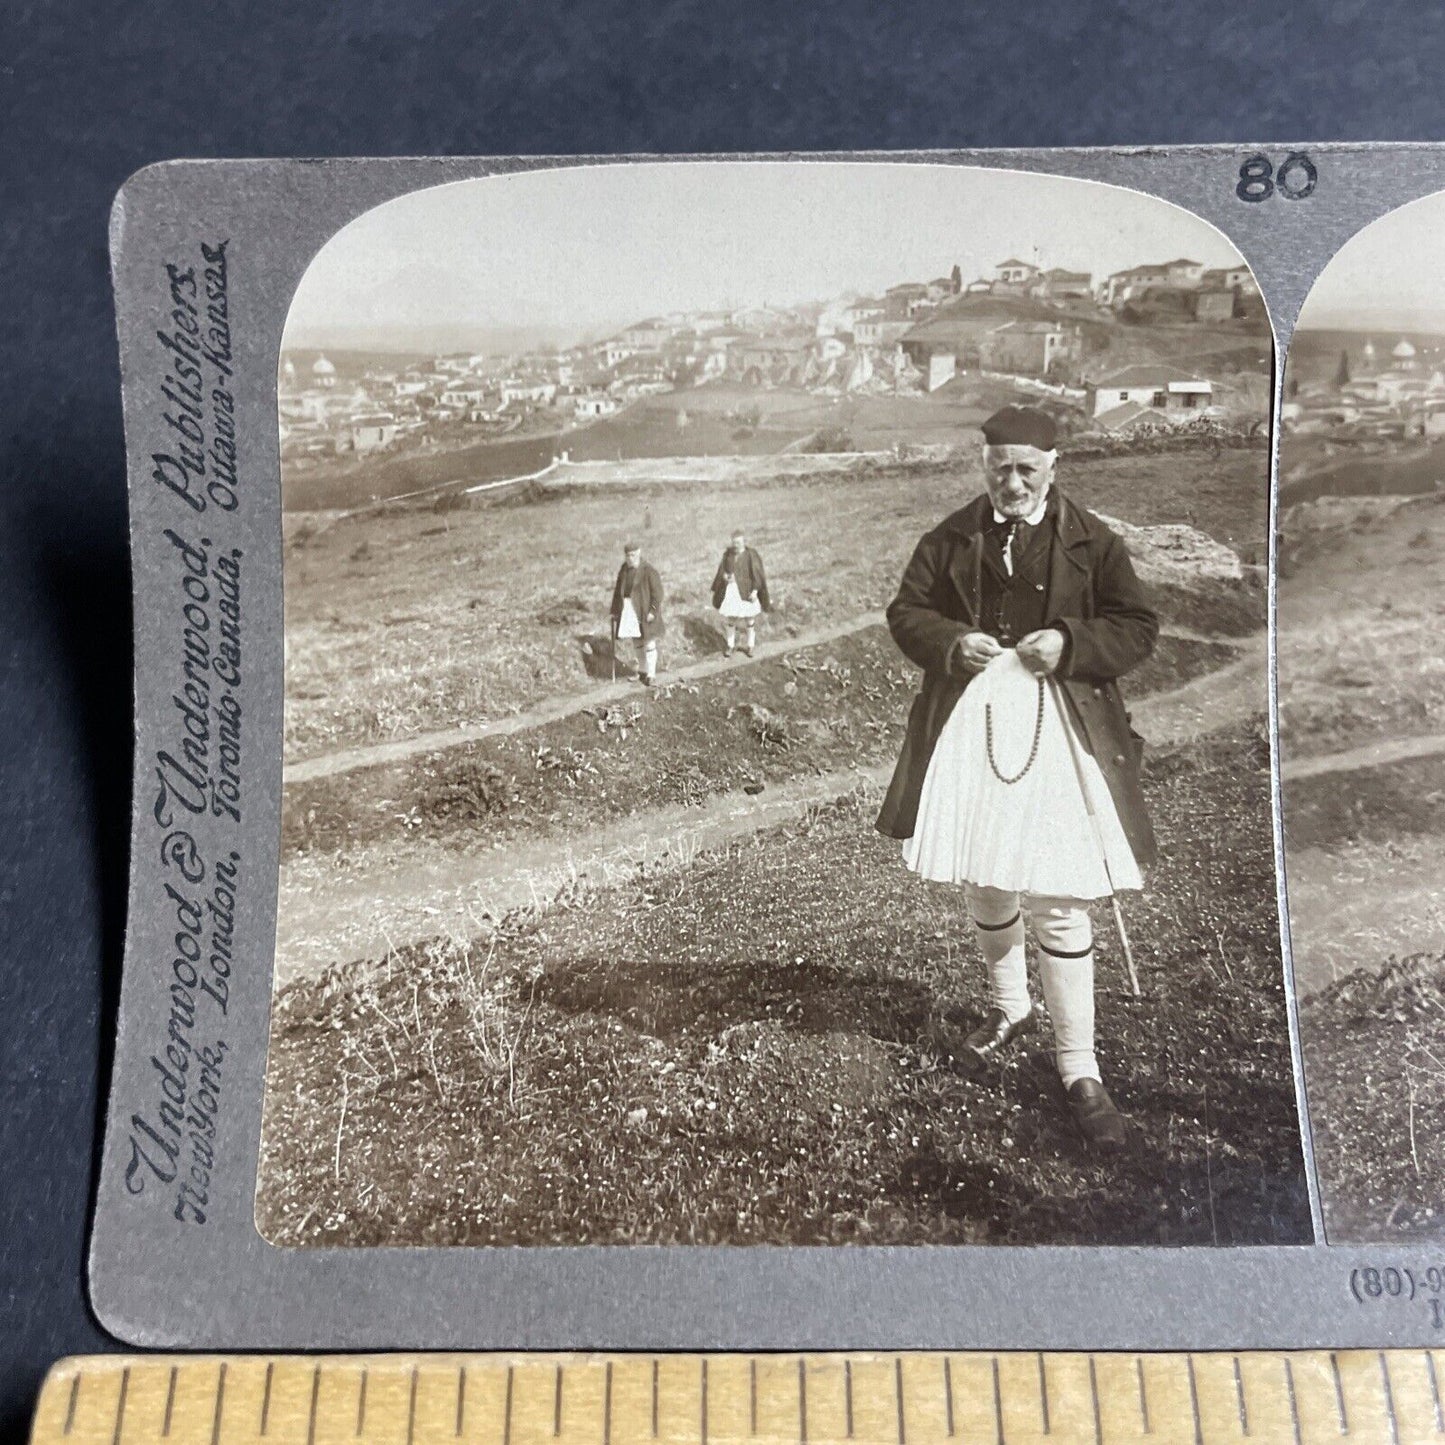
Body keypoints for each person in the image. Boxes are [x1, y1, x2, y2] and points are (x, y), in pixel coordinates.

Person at [876, 405, 1158, 1151]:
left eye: (1026, 467)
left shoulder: (1093, 542)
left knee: (1060, 896)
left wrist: (1069, 641)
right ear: (983, 465)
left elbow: (1137, 626)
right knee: (984, 873)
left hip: (1065, 729)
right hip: (969, 728)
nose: (1011, 480)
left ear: (1053, 465)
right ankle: (1008, 1004)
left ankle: (1079, 1067)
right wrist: (948, 641)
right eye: (999, 465)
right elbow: (905, 611)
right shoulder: (950, 538)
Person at [610, 541, 665, 686]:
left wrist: (653, 611)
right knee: (637, 641)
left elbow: (658, 594)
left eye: (633, 555)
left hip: (645, 610)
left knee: (649, 641)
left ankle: (651, 674)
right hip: (628, 608)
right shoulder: (624, 569)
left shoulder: (648, 571)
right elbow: (617, 591)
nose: (630, 558)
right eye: (628, 555)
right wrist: (615, 610)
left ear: (639, 553)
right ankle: (642, 671)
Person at [711, 529, 770, 656]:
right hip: (732, 591)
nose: (736, 545)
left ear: (743, 542)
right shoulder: (728, 555)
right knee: (731, 619)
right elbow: (722, 571)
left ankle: (750, 646)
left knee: (749, 619)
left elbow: (757, 574)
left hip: (747, 591)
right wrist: (725, 576)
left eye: (738, 542)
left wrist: (755, 591)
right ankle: (730, 646)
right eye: (734, 543)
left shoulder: (751, 555)